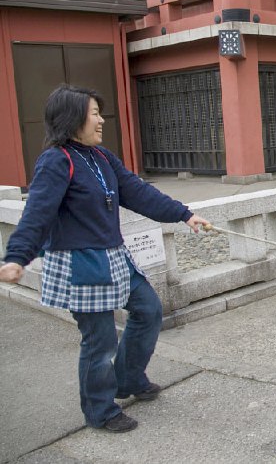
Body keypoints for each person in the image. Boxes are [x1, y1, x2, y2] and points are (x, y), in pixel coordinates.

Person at [0, 85, 209, 433]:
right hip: (80, 263)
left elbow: (137, 192)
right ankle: (100, 410)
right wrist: (18, 256)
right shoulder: (56, 160)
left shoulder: (101, 157)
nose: (100, 120)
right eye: (93, 113)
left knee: (148, 310)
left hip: (115, 256)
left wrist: (184, 214)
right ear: (71, 118)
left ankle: (128, 378)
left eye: (99, 112)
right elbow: (37, 214)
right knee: (99, 341)